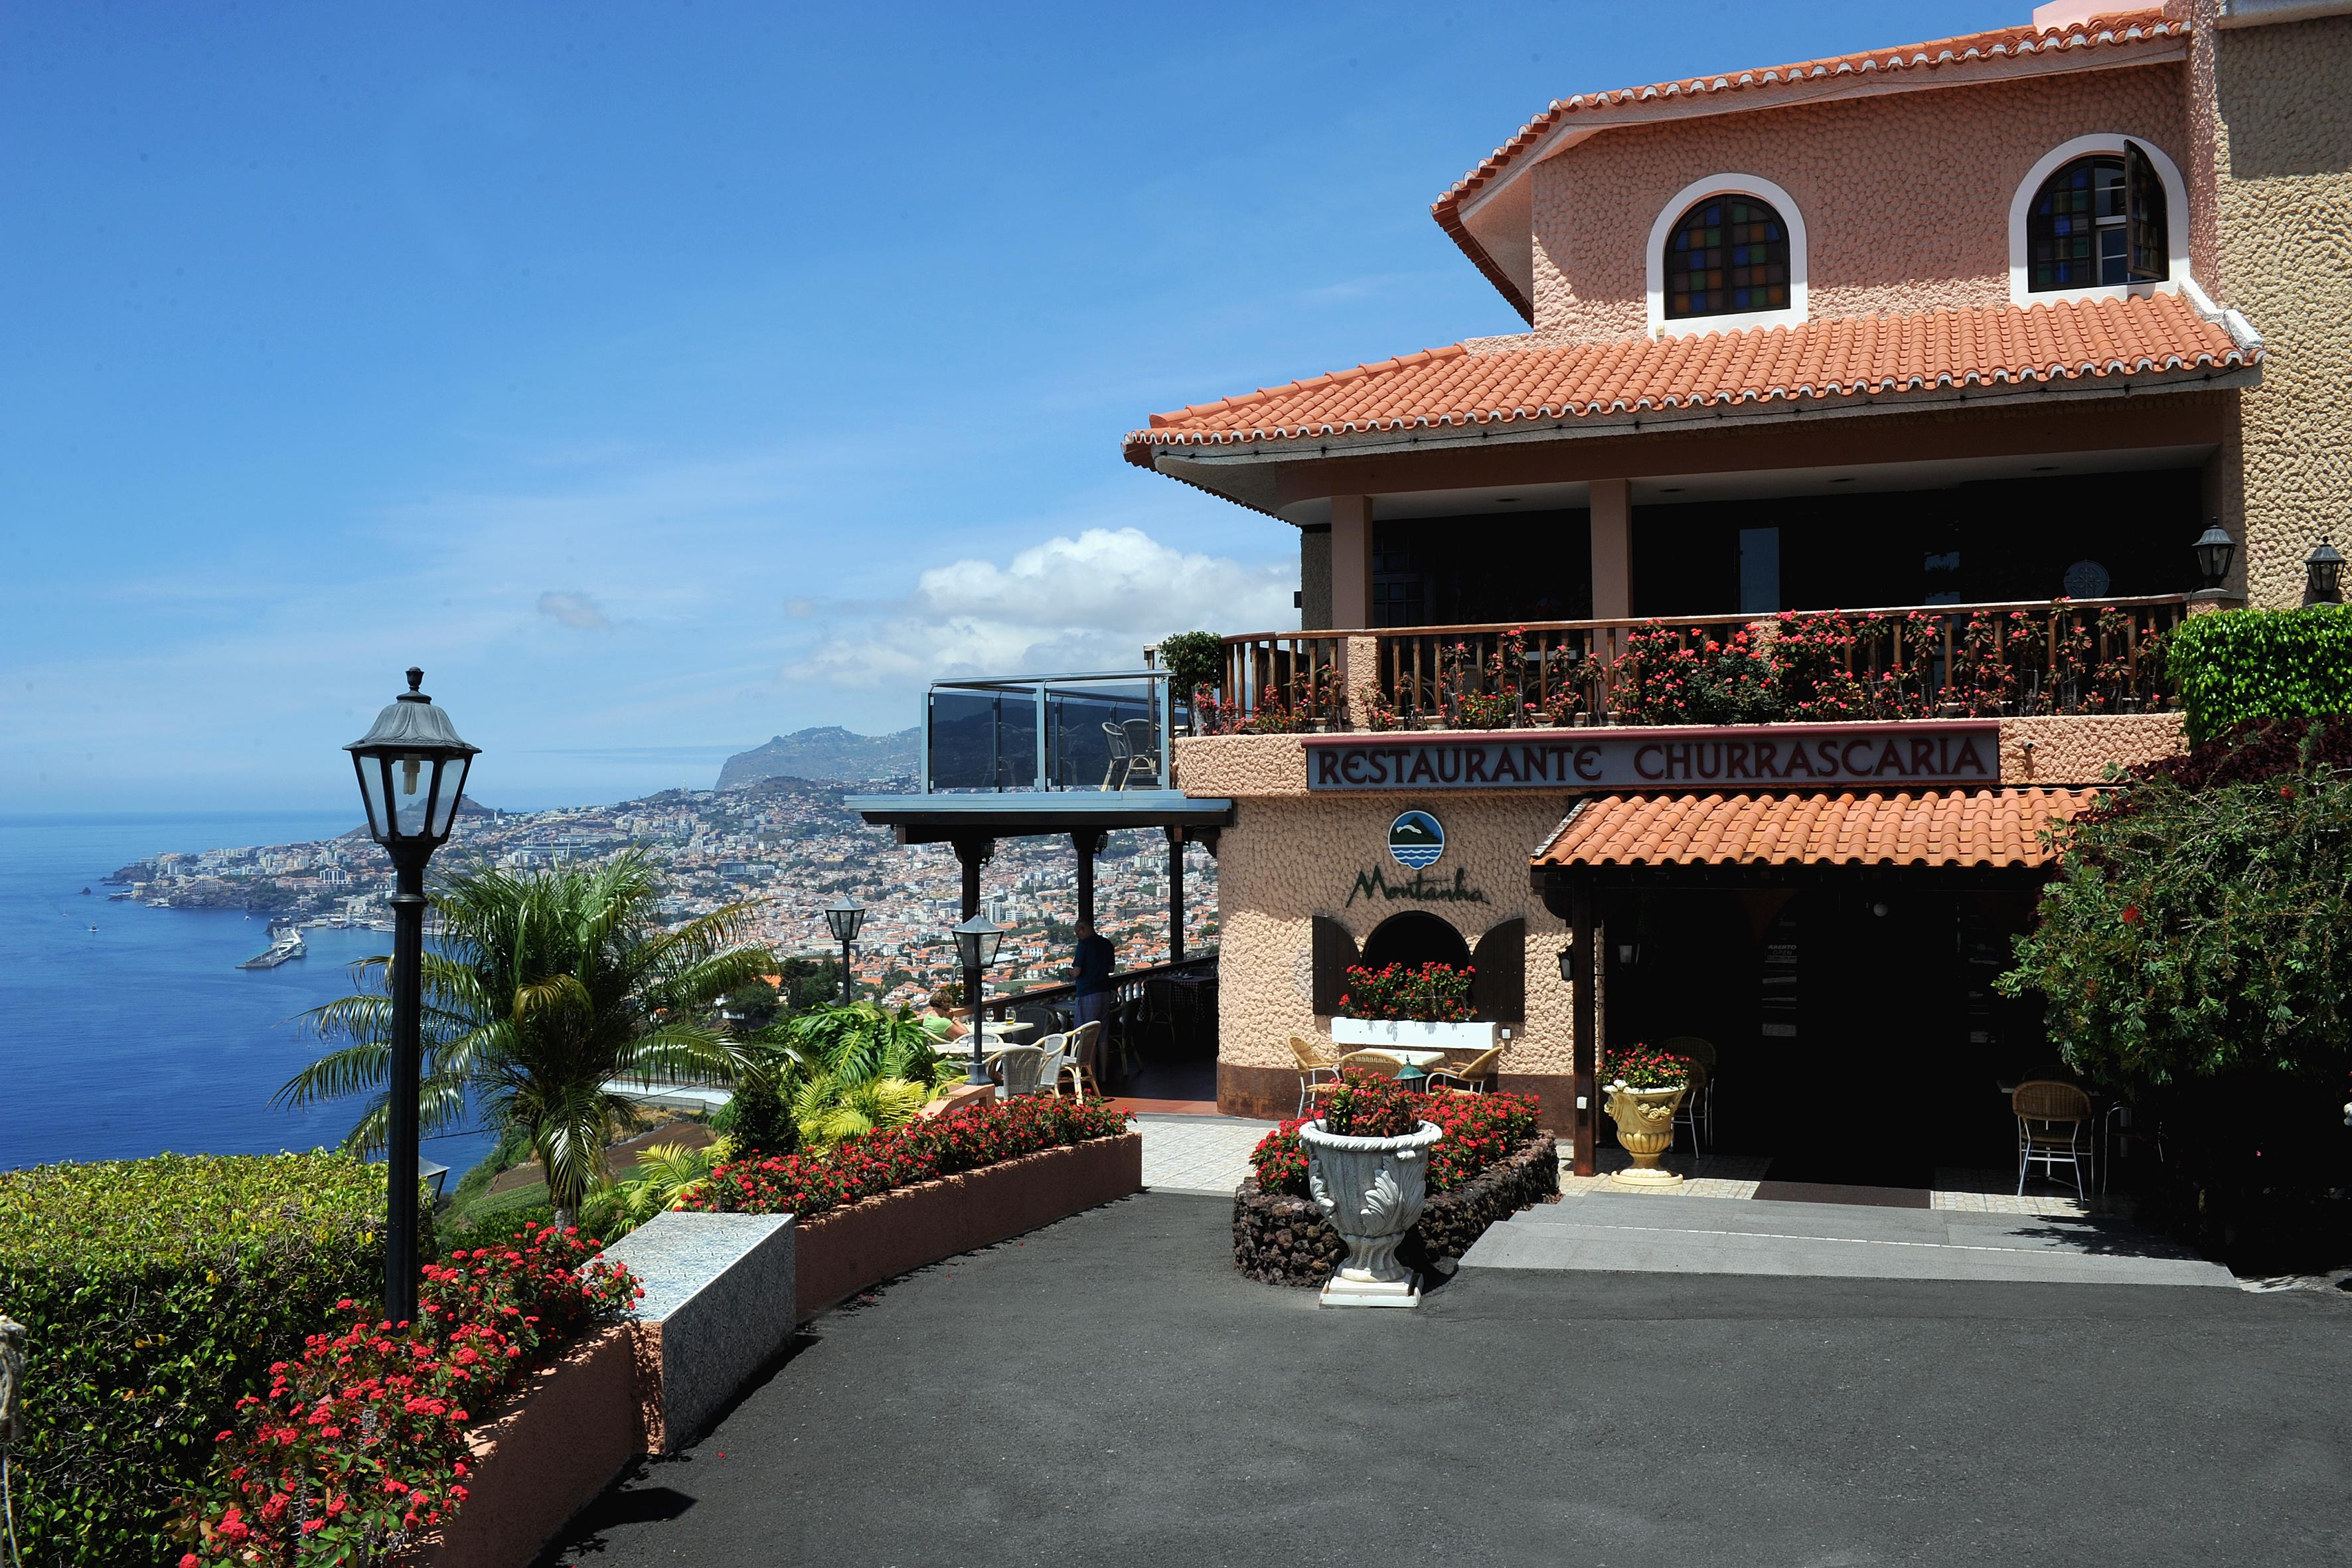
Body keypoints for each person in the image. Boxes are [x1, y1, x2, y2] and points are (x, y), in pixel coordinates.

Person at [1072, 919, 1117, 1031]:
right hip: (1105, 991)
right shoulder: (1106, 943)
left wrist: (1068, 972)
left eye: (1078, 933)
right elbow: (1111, 969)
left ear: (1083, 929)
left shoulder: (1083, 945)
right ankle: (1104, 1050)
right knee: (1103, 1031)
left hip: (1087, 992)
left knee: (1086, 1032)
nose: (1078, 937)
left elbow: (1076, 972)